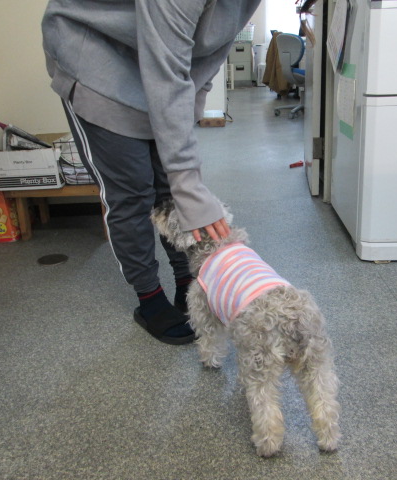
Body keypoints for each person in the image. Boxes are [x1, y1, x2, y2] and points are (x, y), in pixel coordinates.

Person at [41, 0, 316, 345]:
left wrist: (190, 112)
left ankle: (187, 282)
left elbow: (210, 53)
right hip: (99, 59)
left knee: (170, 191)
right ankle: (149, 297)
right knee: (133, 192)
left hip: (164, 67)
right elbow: (165, 74)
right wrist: (189, 183)